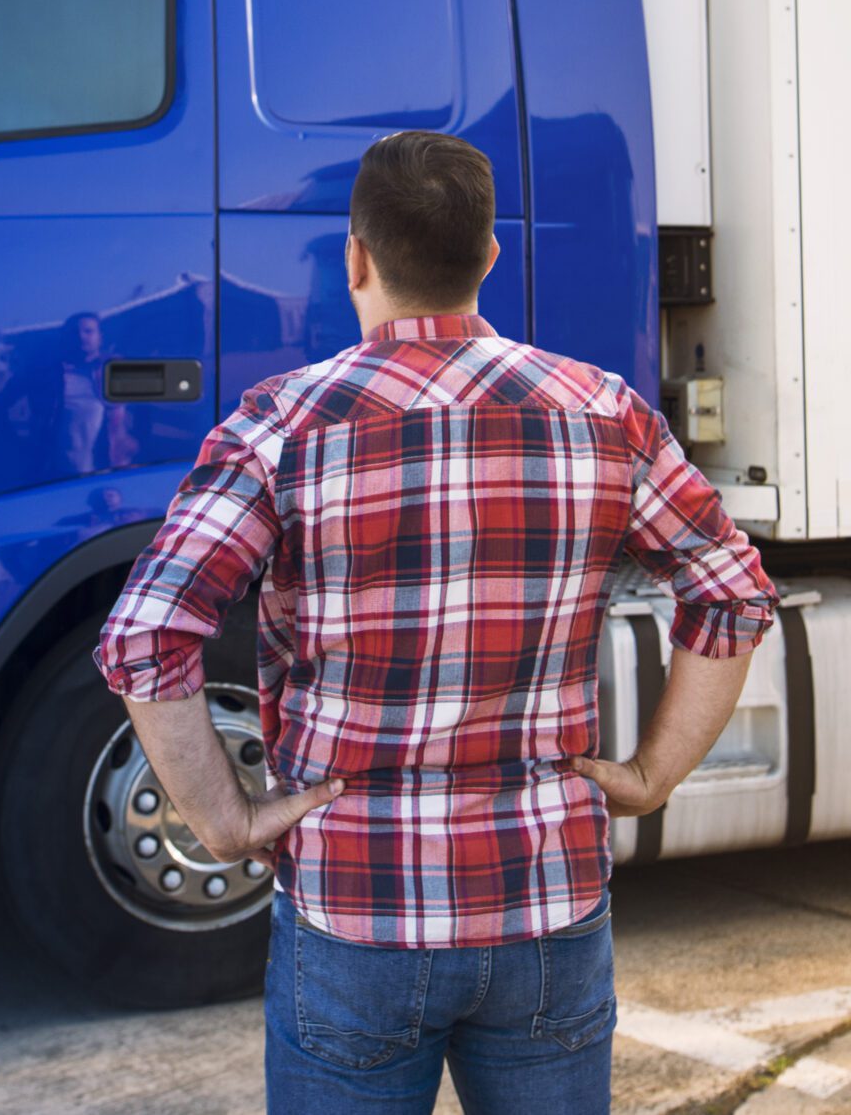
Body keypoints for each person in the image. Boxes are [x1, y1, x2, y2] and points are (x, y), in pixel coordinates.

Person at [94, 130, 776, 1113]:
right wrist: (650, 774)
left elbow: (146, 637)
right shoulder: (605, 413)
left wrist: (226, 820)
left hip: (353, 911)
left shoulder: (279, 426)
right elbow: (734, 592)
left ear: (355, 257)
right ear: (489, 254)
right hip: (545, 900)